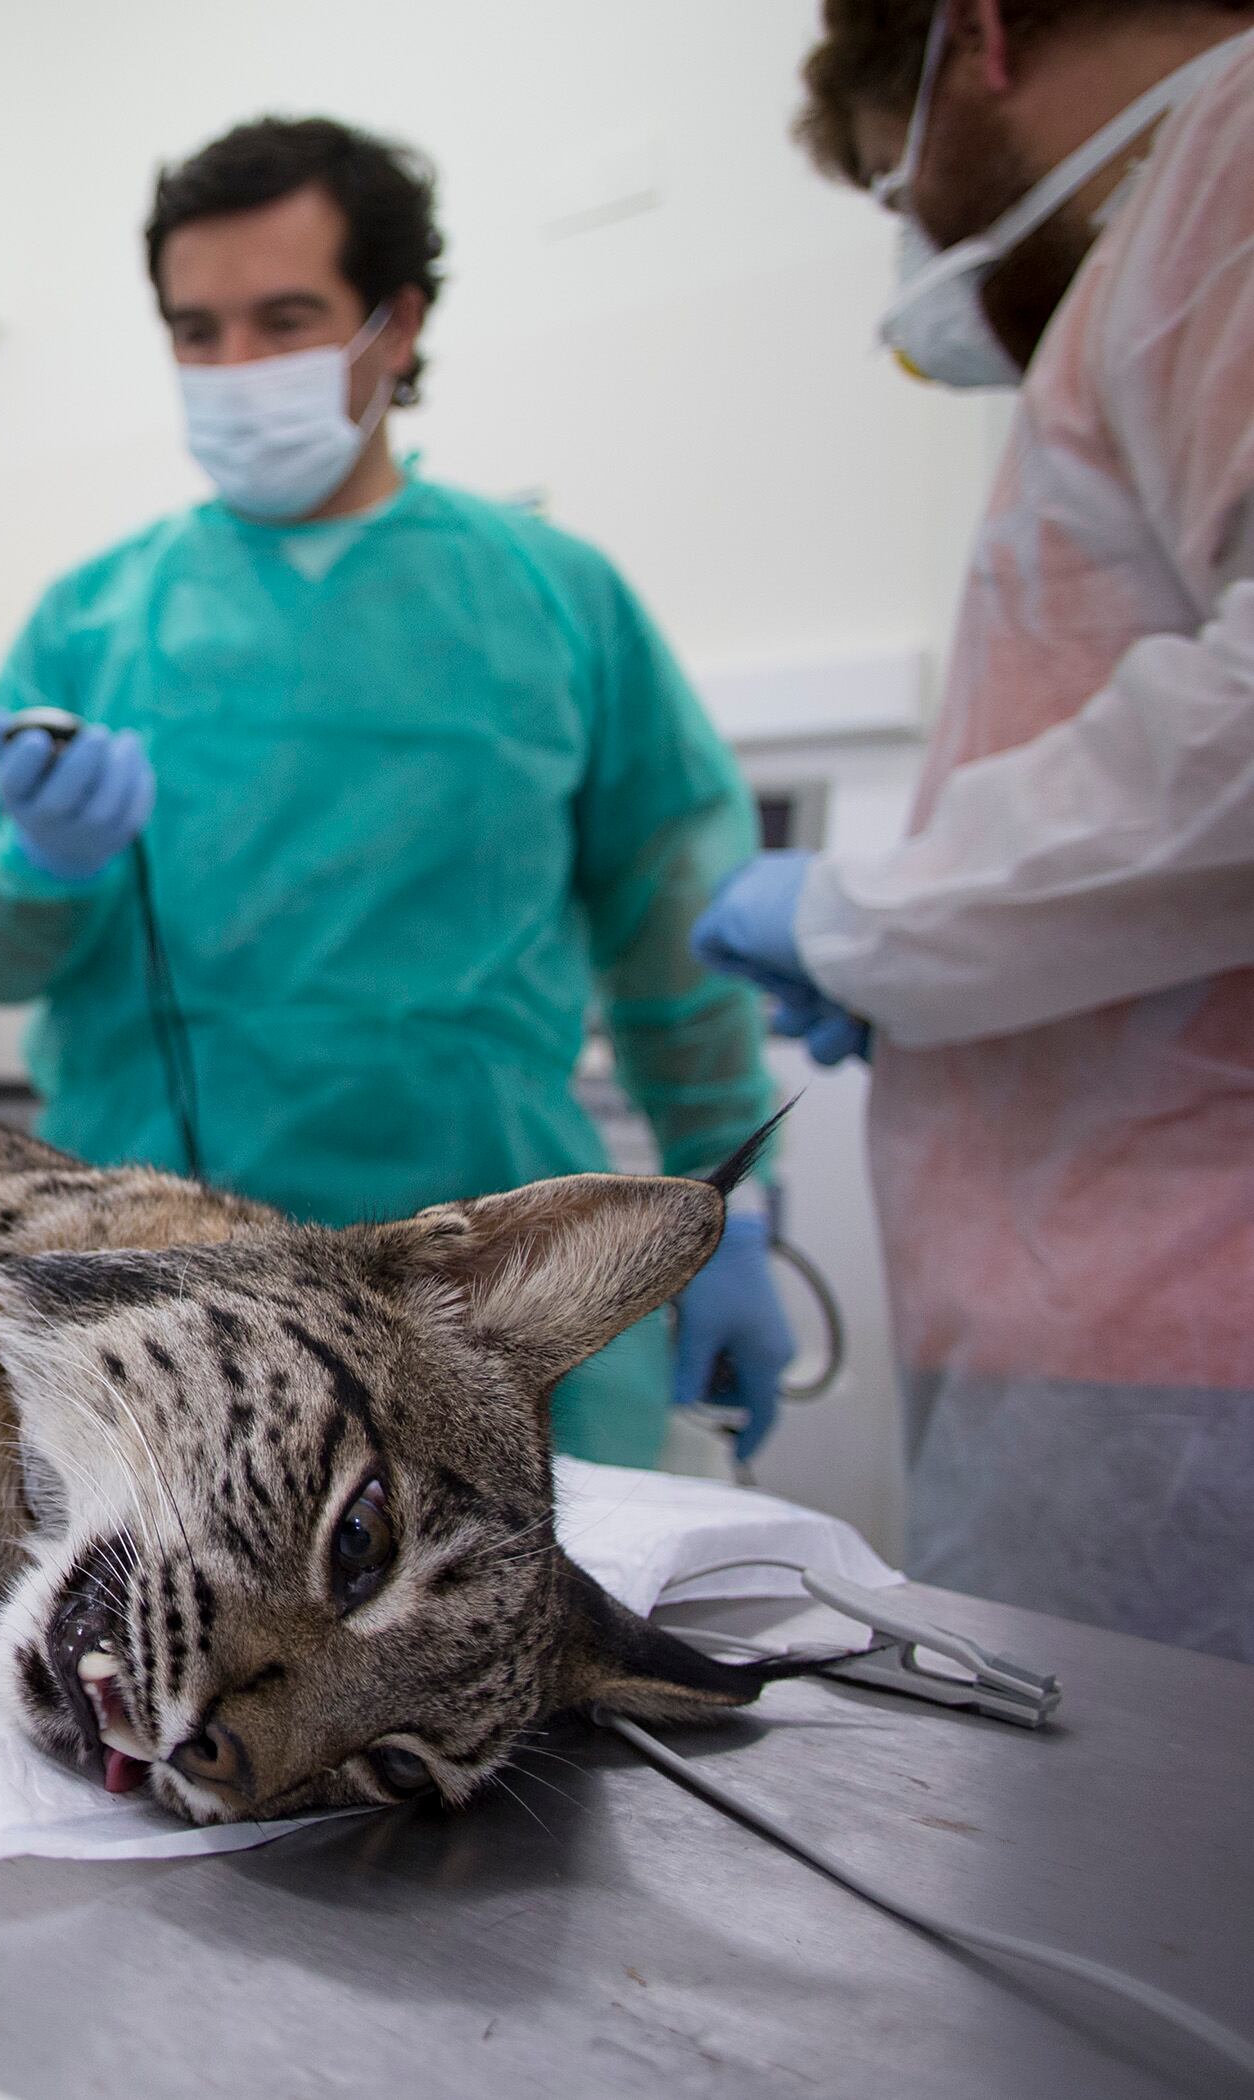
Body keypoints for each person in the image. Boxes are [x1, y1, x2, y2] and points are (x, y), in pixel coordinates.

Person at [0, 118, 789, 1469]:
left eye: (284, 320)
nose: (234, 370)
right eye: (195, 333)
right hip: (149, 1289)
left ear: (395, 325)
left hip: (494, 1293)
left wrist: (728, 1213)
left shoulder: (553, 600)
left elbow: (676, 940)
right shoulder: (93, 620)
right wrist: (41, 866)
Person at [699, 0, 1254, 1659]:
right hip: (1108, 1319)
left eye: (892, 181)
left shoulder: (1222, 179)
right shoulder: (1160, 263)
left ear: (977, 38)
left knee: (1123, 1893)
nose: (916, 244)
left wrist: (876, 919)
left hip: (1175, 1328)